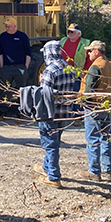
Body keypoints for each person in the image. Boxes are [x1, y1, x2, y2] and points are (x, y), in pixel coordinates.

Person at [33, 41, 76, 188]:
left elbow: (44, 93)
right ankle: (46, 167)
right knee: (55, 140)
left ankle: (53, 176)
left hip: (49, 112)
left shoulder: (50, 70)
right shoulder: (69, 68)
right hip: (64, 112)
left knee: (50, 144)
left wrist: (40, 82)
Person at [79, 40, 111, 181]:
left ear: (96, 52)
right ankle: (107, 170)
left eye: (90, 51)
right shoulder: (110, 66)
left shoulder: (95, 67)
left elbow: (88, 90)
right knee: (106, 138)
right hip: (106, 107)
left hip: (93, 108)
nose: (88, 53)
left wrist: (83, 103)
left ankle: (94, 171)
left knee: (92, 139)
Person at [0, 18, 32, 118]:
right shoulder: (3, 36)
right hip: (7, 68)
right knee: (4, 90)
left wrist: (26, 67)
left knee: (20, 91)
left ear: (14, 26)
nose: (7, 28)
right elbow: (0, 52)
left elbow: (28, 53)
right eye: (6, 26)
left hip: (20, 67)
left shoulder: (22, 36)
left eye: (8, 26)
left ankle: (20, 113)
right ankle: (3, 112)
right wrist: (2, 66)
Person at [61, 23, 91, 118]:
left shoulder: (85, 43)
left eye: (72, 32)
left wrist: (85, 72)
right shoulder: (63, 40)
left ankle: (78, 116)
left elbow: (89, 60)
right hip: (63, 72)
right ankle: (65, 113)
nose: (70, 33)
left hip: (77, 74)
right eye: (68, 31)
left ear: (78, 34)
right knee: (64, 94)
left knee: (77, 94)